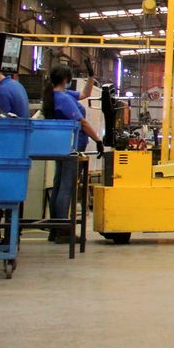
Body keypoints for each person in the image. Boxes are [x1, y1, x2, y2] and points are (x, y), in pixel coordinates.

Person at [42, 65, 102, 240]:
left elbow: (84, 94)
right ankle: (62, 230)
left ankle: (55, 228)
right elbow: (82, 122)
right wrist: (98, 140)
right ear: (66, 79)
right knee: (66, 187)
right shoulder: (63, 99)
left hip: (61, 145)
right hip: (72, 146)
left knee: (59, 184)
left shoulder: (57, 96)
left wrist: (91, 77)